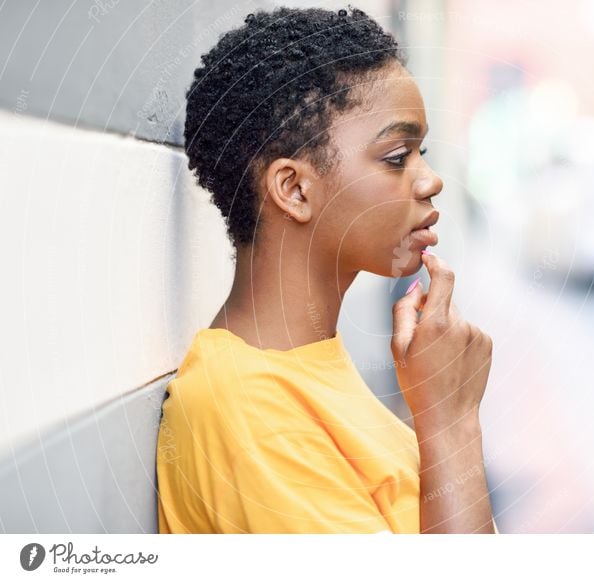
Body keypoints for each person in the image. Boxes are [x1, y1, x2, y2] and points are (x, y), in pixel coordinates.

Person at [156, 5, 496, 534]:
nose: (430, 181)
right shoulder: (251, 413)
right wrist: (450, 421)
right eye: (396, 155)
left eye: (421, 151)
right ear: (294, 189)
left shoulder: (309, 364)